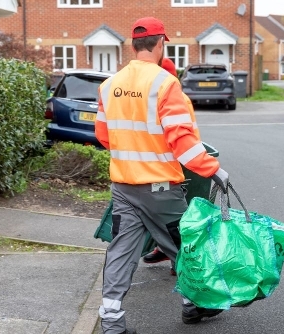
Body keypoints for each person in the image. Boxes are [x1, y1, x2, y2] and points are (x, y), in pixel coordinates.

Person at [95, 16, 229, 334]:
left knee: (121, 250)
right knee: (186, 246)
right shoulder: (165, 84)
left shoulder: (109, 85)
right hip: (159, 189)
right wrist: (214, 170)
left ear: (133, 44)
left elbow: (103, 135)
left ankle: (111, 321)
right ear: (160, 43)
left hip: (123, 186)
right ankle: (194, 303)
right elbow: (182, 142)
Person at [142, 57, 202, 276]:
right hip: (160, 165)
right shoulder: (160, 94)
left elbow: (185, 137)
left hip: (169, 165)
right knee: (166, 218)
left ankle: (188, 274)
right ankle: (168, 253)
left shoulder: (176, 98)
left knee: (170, 219)